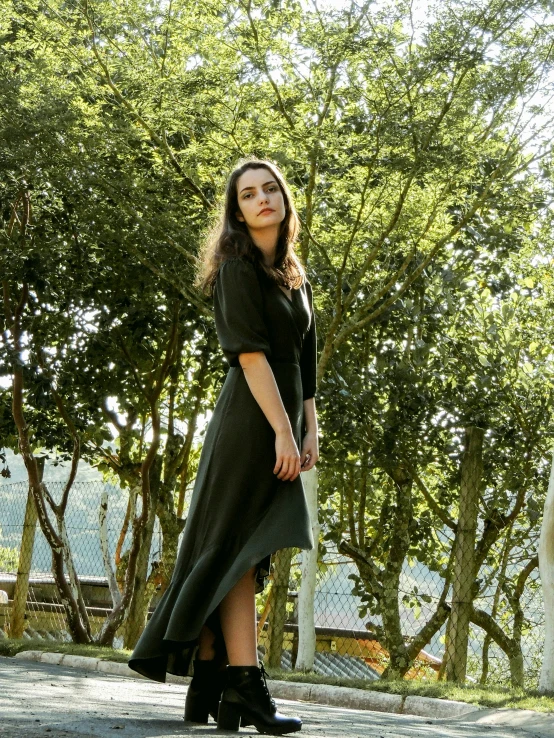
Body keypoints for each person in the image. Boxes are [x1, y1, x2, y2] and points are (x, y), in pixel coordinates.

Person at [128, 156, 319, 735]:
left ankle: (217, 671)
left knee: (247, 551)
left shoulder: (292, 270)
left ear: (283, 199)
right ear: (236, 212)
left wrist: (311, 423)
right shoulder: (237, 268)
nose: (262, 199)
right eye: (248, 195)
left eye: (270, 190)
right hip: (249, 422)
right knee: (238, 544)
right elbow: (252, 355)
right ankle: (242, 683)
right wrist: (283, 430)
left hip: (283, 416)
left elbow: (305, 358)